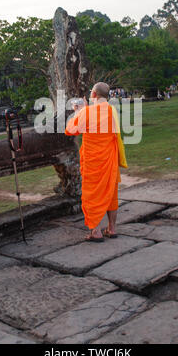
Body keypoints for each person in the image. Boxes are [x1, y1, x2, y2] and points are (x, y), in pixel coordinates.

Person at [65, 82, 127, 242]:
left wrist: (78, 112)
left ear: (93, 95)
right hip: (109, 160)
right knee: (111, 194)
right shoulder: (112, 110)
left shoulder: (87, 112)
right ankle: (112, 228)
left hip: (93, 162)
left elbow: (71, 130)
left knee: (91, 195)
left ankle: (96, 232)